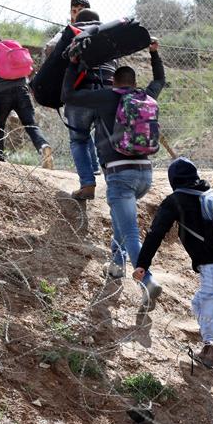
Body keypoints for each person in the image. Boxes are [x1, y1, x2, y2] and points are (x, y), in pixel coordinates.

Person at [132, 157, 213, 392]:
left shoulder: (175, 201)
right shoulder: (208, 197)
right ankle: (210, 351)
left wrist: (142, 264)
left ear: (173, 180)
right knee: (199, 303)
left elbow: (155, 234)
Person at [62, 38, 164, 311]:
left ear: (114, 82)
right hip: (144, 175)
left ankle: (147, 280)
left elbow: (68, 97)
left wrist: (73, 65)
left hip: (119, 176)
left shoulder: (107, 97)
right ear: (132, 81)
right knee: (121, 221)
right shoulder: (146, 96)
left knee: (131, 230)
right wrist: (154, 53)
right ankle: (117, 265)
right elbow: (160, 80)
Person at [0, 22, 53, 168]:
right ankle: (43, 146)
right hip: (22, 91)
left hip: (3, 93)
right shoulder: (10, 46)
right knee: (31, 124)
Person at [63, 8, 117, 200]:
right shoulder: (111, 33)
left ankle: (87, 184)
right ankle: (113, 184)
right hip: (107, 94)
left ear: (78, 20)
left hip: (80, 93)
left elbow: (52, 53)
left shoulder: (70, 32)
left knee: (78, 139)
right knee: (105, 141)